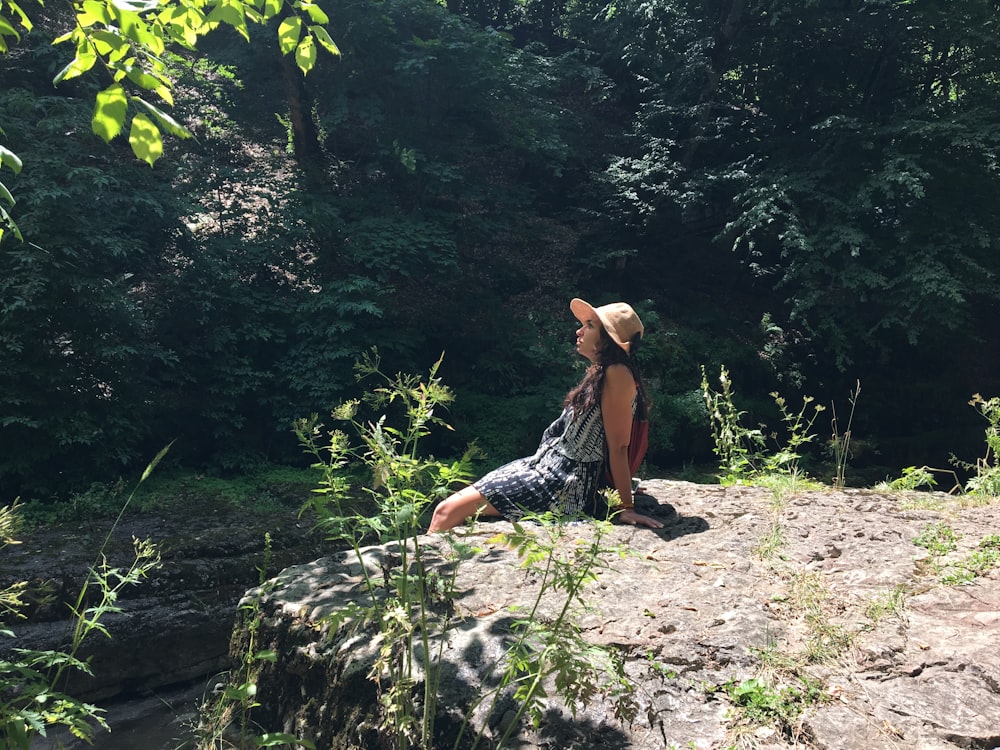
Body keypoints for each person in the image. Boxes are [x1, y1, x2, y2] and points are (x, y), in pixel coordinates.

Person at [428, 298, 664, 532]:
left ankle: (418, 569)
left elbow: (619, 446)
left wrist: (625, 506)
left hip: (562, 482)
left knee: (446, 510)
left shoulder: (617, 373)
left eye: (590, 326)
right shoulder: (603, 372)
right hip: (546, 468)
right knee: (450, 507)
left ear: (608, 340)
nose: (579, 330)